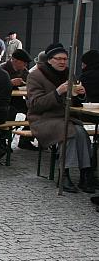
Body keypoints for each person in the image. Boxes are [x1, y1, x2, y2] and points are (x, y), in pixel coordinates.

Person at [28, 43, 93, 193]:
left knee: (81, 132)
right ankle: (64, 173)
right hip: (43, 119)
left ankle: (85, 173)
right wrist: (57, 92)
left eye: (65, 59)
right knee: (69, 132)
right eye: (59, 59)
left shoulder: (70, 74)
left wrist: (81, 94)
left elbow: (75, 102)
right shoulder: (36, 76)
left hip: (64, 118)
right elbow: (35, 105)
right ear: (50, 60)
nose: (63, 62)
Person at [0, 49, 37, 150]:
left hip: (17, 100)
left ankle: (25, 140)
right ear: (15, 60)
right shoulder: (2, 69)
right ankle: (2, 142)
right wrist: (10, 83)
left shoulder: (23, 71)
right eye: (24, 63)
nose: (25, 65)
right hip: (2, 101)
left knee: (35, 111)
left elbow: (30, 83)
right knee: (9, 112)